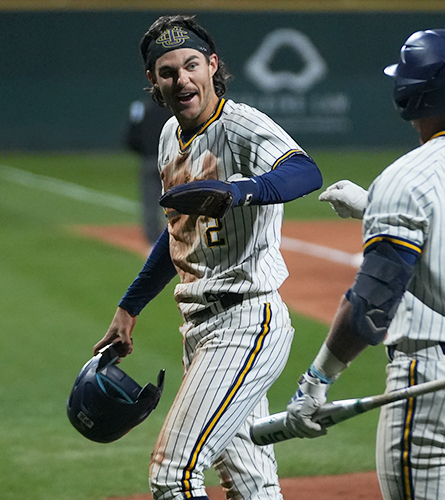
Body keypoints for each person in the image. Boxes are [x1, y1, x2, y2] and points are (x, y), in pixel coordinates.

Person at [285, 30, 445, 500]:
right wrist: (374, 206)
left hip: (438, 389)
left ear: (416, 91)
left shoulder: (408, 176)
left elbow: (370, 307)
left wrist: (316, 380)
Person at [94, 14, 322, 500]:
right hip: (200, 329)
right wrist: (129, 305)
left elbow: (305, 172)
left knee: (172, 475)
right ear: (153, 81)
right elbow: (180, 234)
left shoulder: (242, 125)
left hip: (246, 322)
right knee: (250, 484)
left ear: (213, 66)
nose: (182, 79)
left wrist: (242, 191)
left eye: (192, 65)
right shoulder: (166, 138)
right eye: (168, 70)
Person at [125, 99, 174, 245]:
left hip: (149, 160)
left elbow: (131, 137)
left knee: (150, 202)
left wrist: (143, 152)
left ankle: (153, 240)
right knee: (178, 200)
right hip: (170, 162)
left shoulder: (143, 110)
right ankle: (179, 235)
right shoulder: (174, 112)